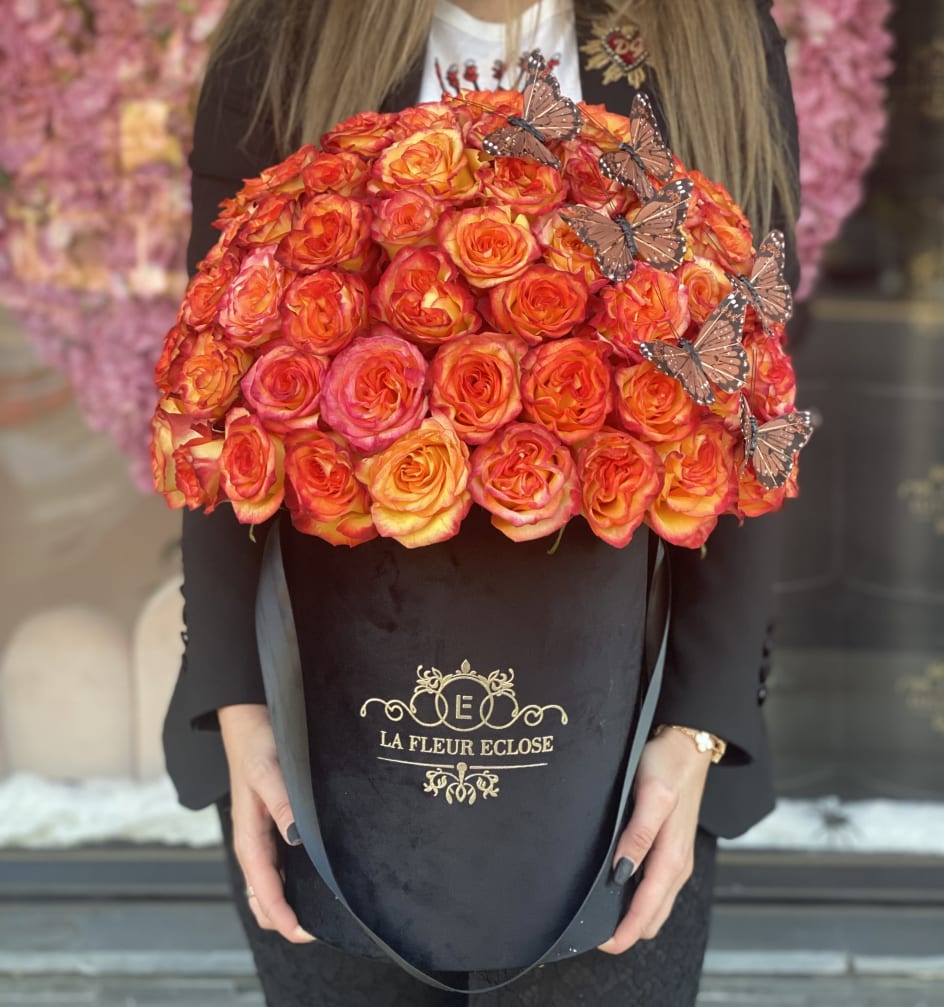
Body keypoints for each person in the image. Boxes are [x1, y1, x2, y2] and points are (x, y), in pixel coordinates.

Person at [162, 1, 800, 1003]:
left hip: (620, 742)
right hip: (332, 739)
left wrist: (699, 728)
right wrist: (235, 702)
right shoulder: (288, 33)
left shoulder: (699, 32)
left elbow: (752, 397)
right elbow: (216, 373)